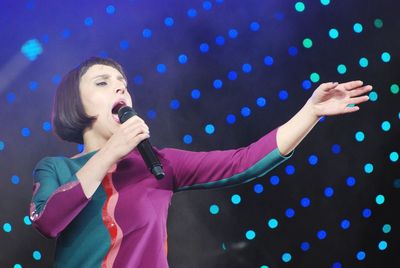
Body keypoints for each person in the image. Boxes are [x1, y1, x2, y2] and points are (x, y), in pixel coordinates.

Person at [29, 57, 371, 267]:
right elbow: (47, 221)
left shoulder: (158, 164)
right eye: (103, 83)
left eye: (124, 85)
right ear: (75, 101)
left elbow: (244, 161)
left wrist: (310, 112)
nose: (120, 91)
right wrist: (109, 152)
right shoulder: (55, 169)